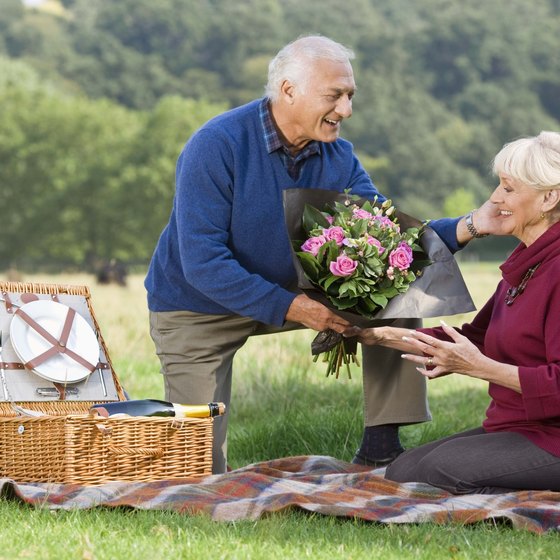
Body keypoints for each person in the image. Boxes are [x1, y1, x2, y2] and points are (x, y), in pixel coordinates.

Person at [144, 35, 496, 474]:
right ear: (288, 90)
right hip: (196, 306)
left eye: (350, 96)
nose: (346, 110)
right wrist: (297, 307)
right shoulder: (216, 145)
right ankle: (200, 466)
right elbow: (202, 262)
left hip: (294, 292)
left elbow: (390, 239)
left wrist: (473, 225)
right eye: (335, 96)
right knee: (197, 470)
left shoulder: (339, 157)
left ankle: (381, 447)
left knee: (396, 284)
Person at [346, 131, 560, 494]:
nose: (495, 197)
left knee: (437, 473)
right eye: (498, 186)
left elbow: (481, 358)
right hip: (519, 426)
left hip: (552, 437)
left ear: (549, 198)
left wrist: (478, 367)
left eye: (508, 189)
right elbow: (473, 338)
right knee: (405, 470)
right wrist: (375, 335)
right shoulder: (526, 262)